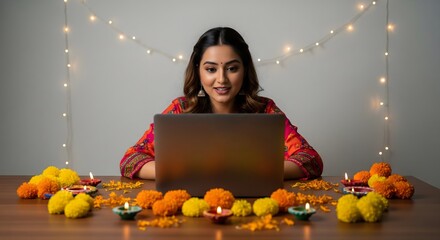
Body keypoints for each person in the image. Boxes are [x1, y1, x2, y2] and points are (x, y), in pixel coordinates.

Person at [120, 27, 323, 180]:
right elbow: (130, 161)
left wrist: (252, 172)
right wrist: (183, 172)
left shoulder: (264, 110)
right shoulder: (181, 110)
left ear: (244, 70)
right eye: (211, 69)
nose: (222, 79)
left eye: (232, 68)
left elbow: (310, 159)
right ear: (198, 71)